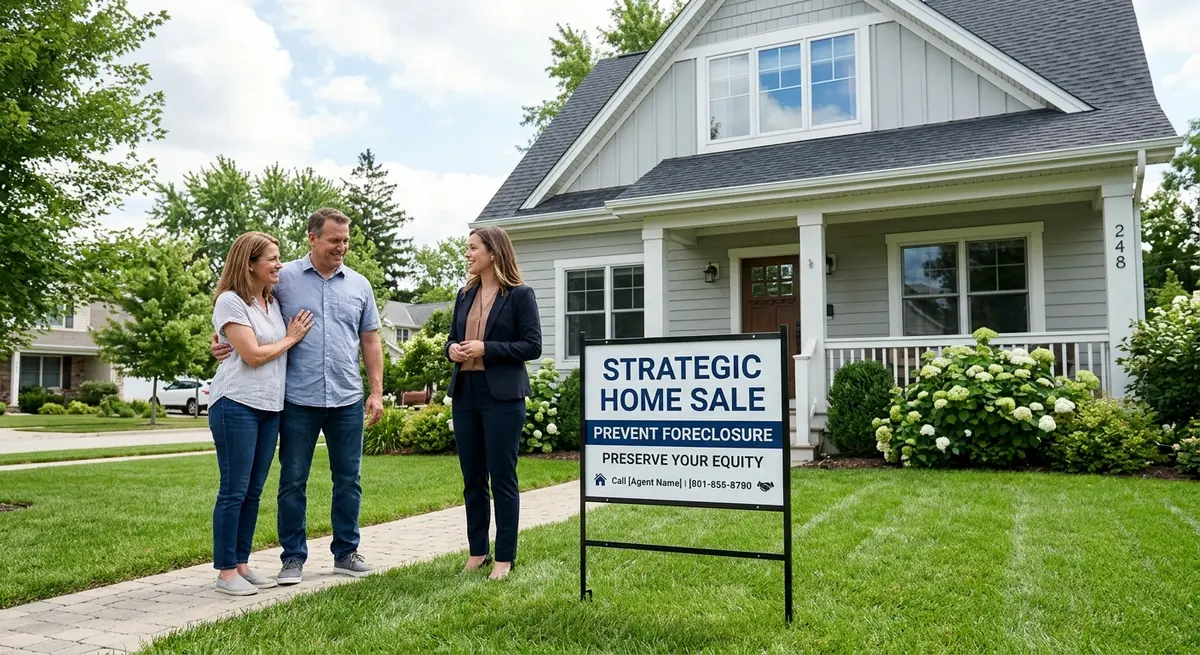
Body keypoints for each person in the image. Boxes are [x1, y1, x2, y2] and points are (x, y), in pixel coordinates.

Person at [213, 208, 384, 585]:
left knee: (349, 479)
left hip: (346, 397)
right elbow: (243, 309)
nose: (341, 247)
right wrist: (221, 341)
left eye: (345, 240)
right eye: (334, 240)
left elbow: (371, 339)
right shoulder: (282, 278)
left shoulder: (359, 285)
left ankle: (346, 552)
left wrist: (376, 391)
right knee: (291, 480)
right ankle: (292, 558)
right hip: (296, 399)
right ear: (312, 238)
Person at [207, 231, 314, 596]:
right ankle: (225, 573)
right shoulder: (230, 301)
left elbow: (244, 345)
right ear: (249, 264)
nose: (279, 264)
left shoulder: (270, 301)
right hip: (235, 403)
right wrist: (291, 338)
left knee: (252, 492)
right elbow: (252, 355)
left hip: (270, 407)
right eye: (271, 258)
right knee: (234, 489)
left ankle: (240, 564)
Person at [445, 225, 542, 580]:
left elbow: (532, 346)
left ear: (493, 252)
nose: (467, 254)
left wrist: (487, 348)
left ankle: (504, 557)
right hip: (466, 392)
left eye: (473, 248)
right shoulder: (464, 294)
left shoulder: (520, 295)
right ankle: (477, 552)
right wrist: (452, 350)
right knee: (472, 478)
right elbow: (452, 339)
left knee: (502, 478)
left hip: (502, 397)